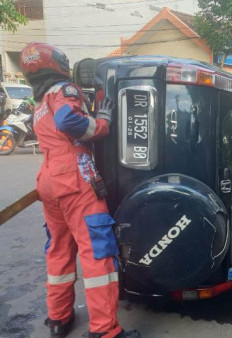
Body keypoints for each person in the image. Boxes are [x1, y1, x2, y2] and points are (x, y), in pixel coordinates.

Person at [20, 42, 140, 338]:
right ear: (57, 64)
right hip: (73, 176)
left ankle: (59, 319)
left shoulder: (39, 103)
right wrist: (103, 123)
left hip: (48, 180)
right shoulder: (63, 89)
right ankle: (104, 330)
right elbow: (69, 120)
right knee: (97, 251)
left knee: (59, 250)